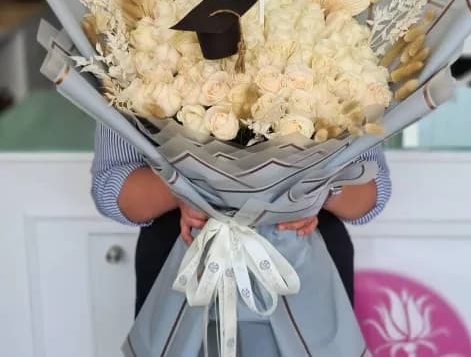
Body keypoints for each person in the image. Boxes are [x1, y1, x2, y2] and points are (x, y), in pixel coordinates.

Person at [92, 123, 391, 316]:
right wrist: (182, 190)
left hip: (306, 263)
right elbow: (111, 187)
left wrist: (321, 190)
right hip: (183, 258)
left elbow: (373, 190)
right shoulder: (138, 46)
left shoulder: (336, 43)